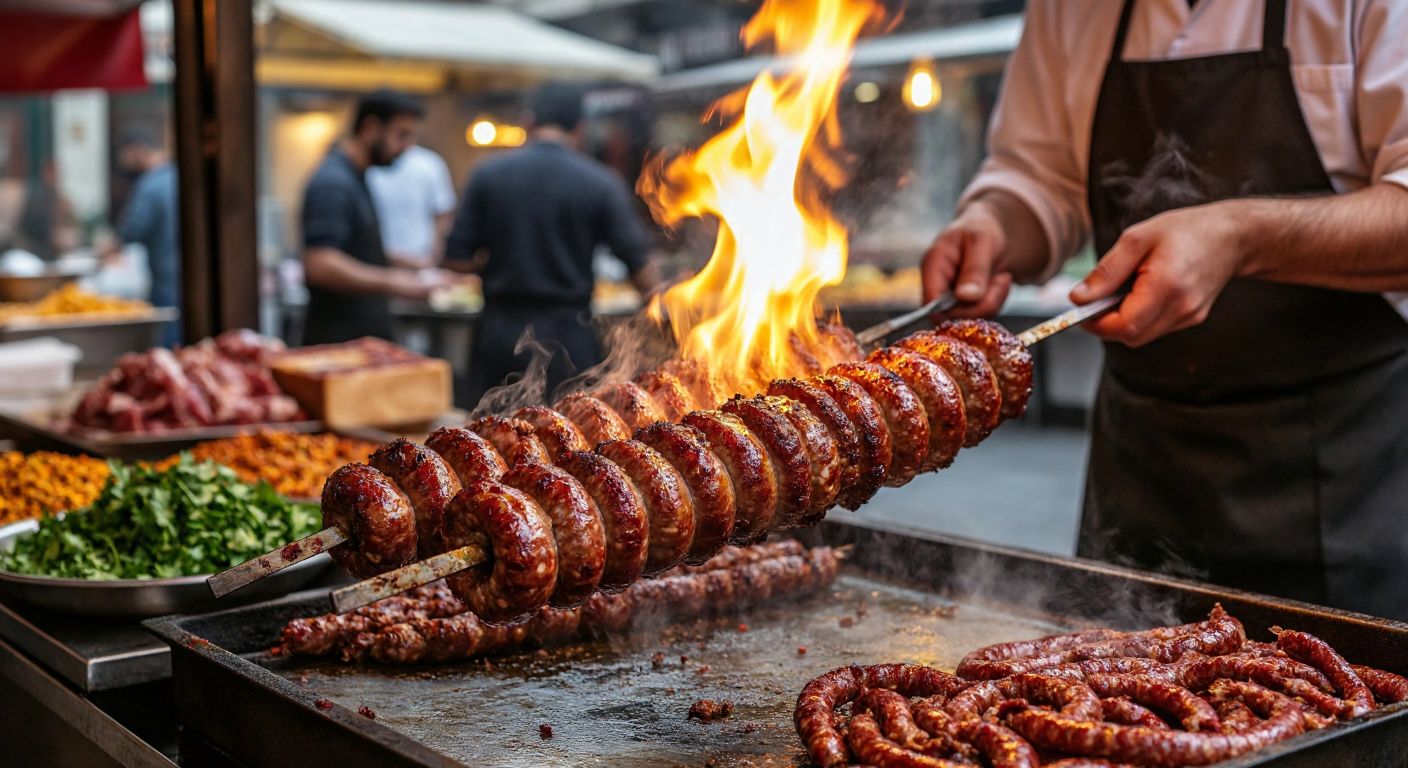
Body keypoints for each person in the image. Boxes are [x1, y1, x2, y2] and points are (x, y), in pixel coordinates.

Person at [921, 0, 1408, 620]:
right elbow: (1036, 173)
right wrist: (993, 222)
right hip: (1140, 474)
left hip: (1346, 481)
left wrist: (1242, 236)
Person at [444, 82, 661, 403]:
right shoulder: (600, 182)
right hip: (569, 339)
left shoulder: (487, 175)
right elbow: (639, 266)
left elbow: (455, 259)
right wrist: (665, 320)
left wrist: (505, 261)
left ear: (529, 122)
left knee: (489, 440)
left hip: (501, 335)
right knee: (571, 439)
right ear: (579, 128)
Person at [300, 89, 445, 345]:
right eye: (402, 135)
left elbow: (357, 250)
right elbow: (320, 264)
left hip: (360, 338)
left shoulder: (356, 176)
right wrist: (396, 283)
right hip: (340, 343)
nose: (407, 147)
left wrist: (417, 267)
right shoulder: (333, 182)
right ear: (370, 128)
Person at [113, 133, 180, 345]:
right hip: (181, 274)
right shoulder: (175, 175)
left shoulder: (150, 185)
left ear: (139, 149)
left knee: (168, 341)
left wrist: (111, 246)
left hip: (166, 278)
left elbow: (132, 228)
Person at [367, 143, 457, 268]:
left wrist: (434, 256)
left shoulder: (429, 163)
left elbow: (443, 213)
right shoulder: (371, 166)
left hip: (421, 261)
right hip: (375, 264)